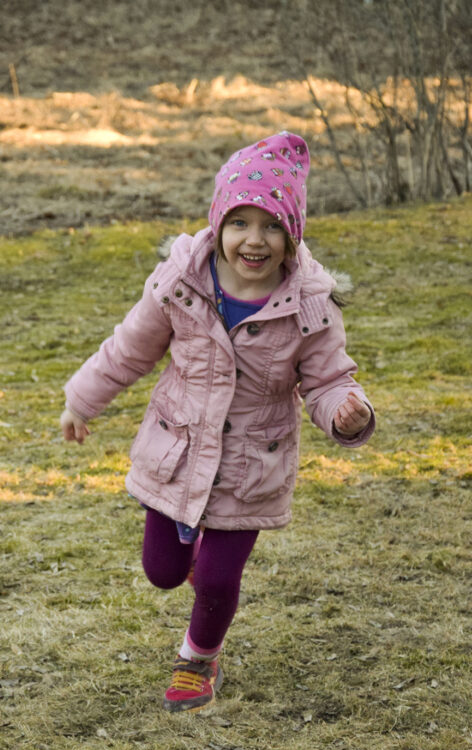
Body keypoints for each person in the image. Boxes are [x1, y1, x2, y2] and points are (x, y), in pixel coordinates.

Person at [59, 131, 375, 714]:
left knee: (218, 581)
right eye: (240, 223)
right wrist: (82, 399)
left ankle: (197, 659)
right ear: (217, 224)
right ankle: (193, 571)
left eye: (273, 226)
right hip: (175, 453)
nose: (254, 241)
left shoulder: (309, 305)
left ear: (292, 235)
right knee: (161, 571)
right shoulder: (181, 284)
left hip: (251, 466)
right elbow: (130, 348)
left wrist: (346, 413)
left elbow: (329, 380)